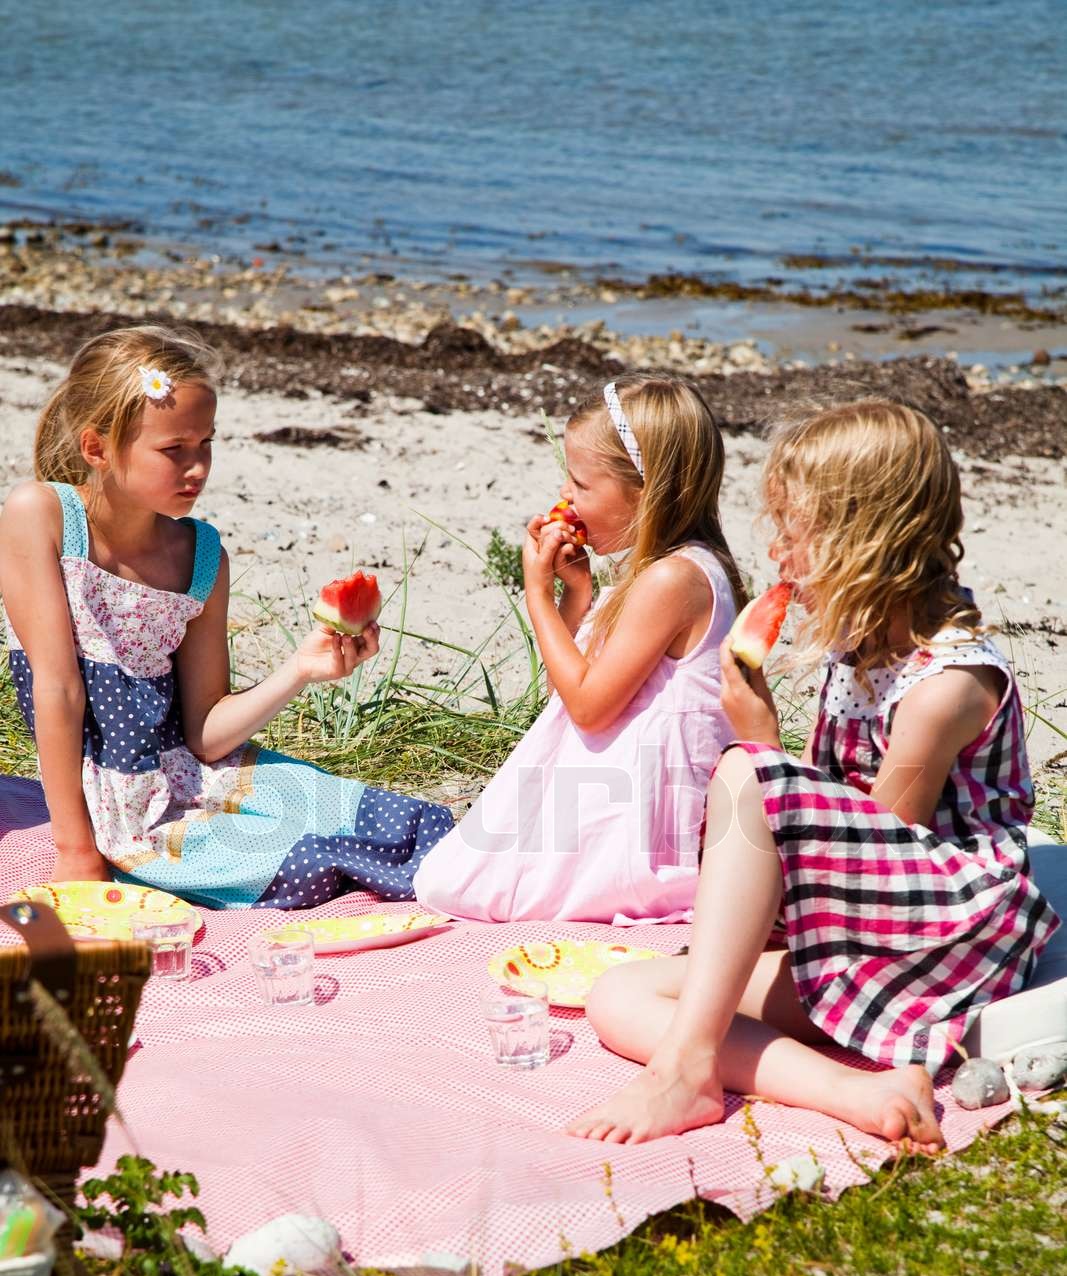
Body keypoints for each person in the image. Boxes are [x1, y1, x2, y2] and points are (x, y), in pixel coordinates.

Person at [569, 399, 1060, 1148]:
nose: (777, 557)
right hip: (879, 918)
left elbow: (885, 849)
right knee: (615, 996)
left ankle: (688, 1070)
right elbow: (836, 828)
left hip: (944, 937)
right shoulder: (865, 649)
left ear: (862, 540)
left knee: (747, 772)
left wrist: (762, 746)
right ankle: (852, 1091)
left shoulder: (943, 688)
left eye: (793, 535)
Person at [0, 325, 452, 908]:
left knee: (391, 820)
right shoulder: (41, 515)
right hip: (117, 801)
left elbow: (206, 736)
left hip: (197, 775)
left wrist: (300, 670)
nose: (197, 468)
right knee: (311, 865)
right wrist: (75, 851)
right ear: (97, 448)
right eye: (173, 449)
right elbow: (58, 689)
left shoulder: (203, 555)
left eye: (206, 443)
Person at [414, 374, 746, 923]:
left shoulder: (674, 580)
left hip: (644, 824)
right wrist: (578, 593)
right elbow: (563, 693)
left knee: (464, 887)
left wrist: (537, 596)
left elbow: (590, 710)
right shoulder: (653, 575)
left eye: (581, 484)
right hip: (617, 792)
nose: (567, 497)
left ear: (648, 489)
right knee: (455, 877)